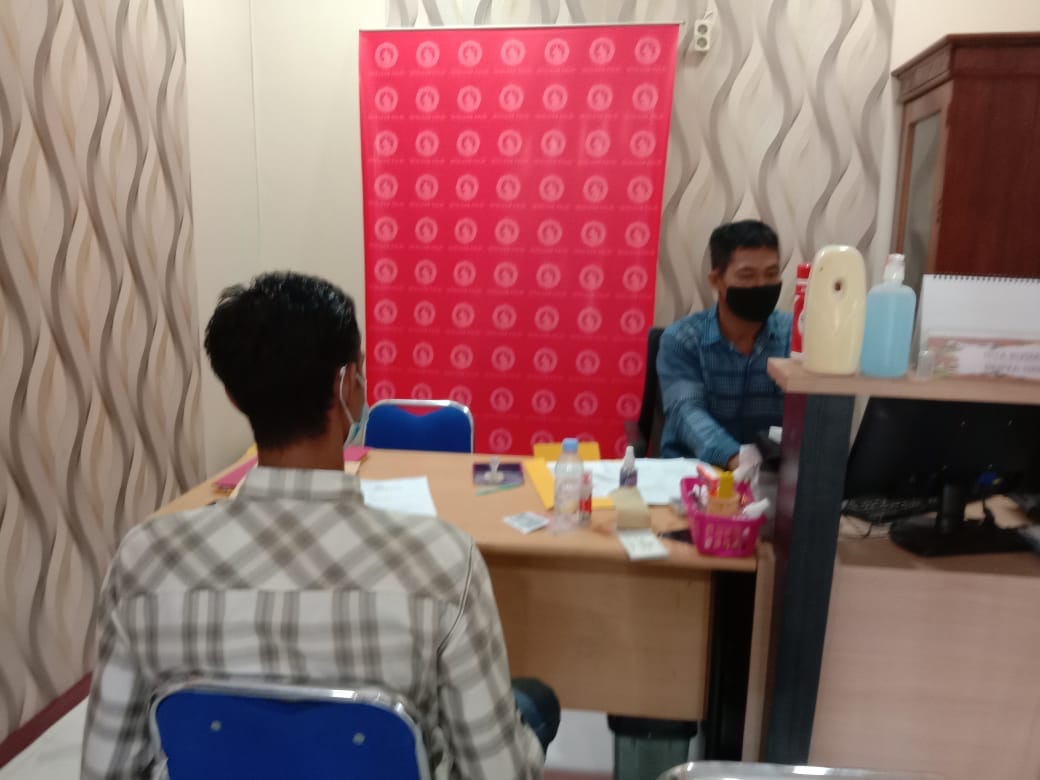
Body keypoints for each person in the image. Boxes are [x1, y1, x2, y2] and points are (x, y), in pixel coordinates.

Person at [82, 272, 559, 779]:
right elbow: (498, 773)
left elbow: (107, 767)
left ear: (235, 396)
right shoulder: (445, 562)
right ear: (347, 384)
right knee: (534, 704)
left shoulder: (143, 560)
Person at [657, 220, 792, 468]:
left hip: (771, 474)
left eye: (771, 274)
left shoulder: (796, 338)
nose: (761, 285)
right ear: (716, 280)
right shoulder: (682, 339)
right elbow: (686, 411)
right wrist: (735, 458)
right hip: (693, 471)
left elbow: (812, 417)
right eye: (747, 275)